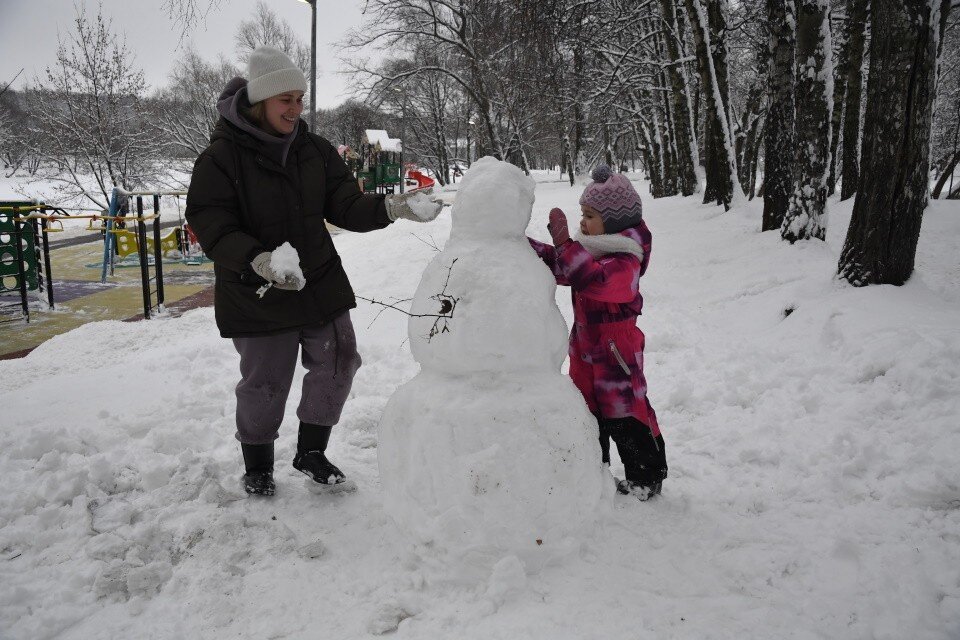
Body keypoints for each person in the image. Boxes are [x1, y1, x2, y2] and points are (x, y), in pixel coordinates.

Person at [185, 46, 441, 496]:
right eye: (285, 99)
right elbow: (212, 225)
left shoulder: (316, 151)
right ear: (260, 101)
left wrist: (391, 206)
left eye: (300, 98)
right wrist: (257, 260)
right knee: (267, 379)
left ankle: (311, 452)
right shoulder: (221, 159)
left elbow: (346, 205)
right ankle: (258, 462)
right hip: (257, 289)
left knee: (340, 359)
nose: (295, 108)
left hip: (317, 281)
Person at [528, 165, 667, 500]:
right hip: (584, 347)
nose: (582, 221)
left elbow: (594, 280)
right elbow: (564, 268)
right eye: (582, 213)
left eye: (589, 215)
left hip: (615, 350)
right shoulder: (593, 250)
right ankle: (594, 471)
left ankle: (646, 477)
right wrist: (521, 246)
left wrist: (564, 243)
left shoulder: (626, 262)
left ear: (615, 221)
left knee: (625, 414)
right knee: (587, 412)